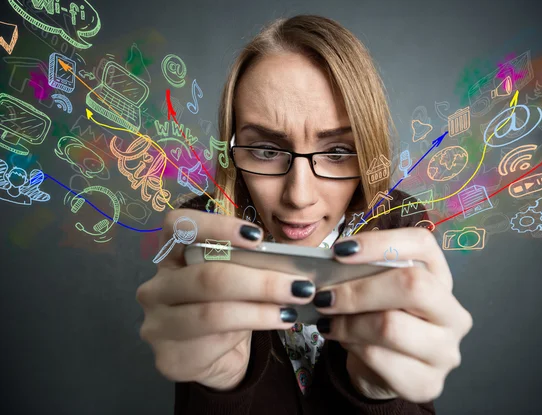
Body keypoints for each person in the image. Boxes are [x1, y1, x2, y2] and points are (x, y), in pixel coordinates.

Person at [136, 14, 473, 414]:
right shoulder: (204, 232)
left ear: (369, 152)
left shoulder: (400, 225)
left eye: (337, 152)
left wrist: (376, 391)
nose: (299, 196)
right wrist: (222, 384)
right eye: (265, 149)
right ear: (232, 150)